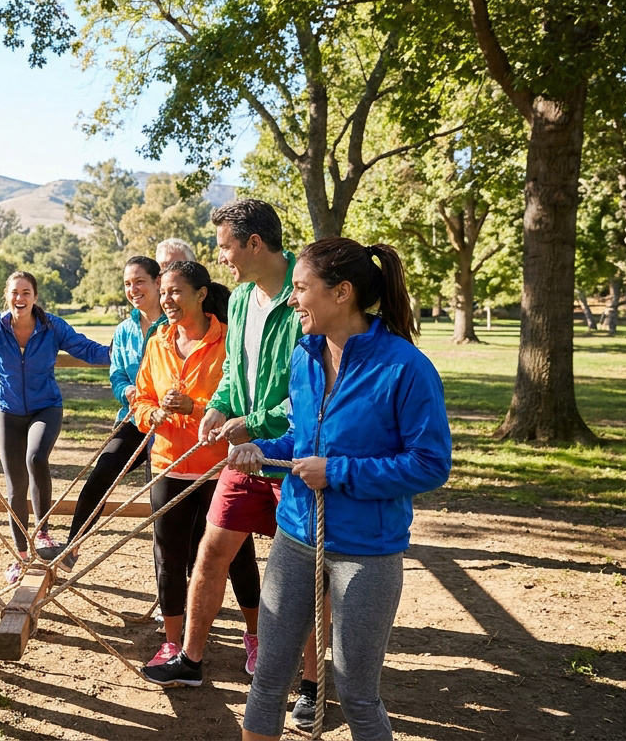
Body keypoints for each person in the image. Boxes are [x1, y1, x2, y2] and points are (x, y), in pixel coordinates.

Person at [232, 238, 451, 740]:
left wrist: (338, 473)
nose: (292, 300)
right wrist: (263, 451)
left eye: (302, 288)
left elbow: (430, 464)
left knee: (356, 694)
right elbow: (303, 438)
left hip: (367, 553)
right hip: (294, 536)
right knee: (267, 680)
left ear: (342, 293)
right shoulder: (304, 356)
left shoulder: (406, 368)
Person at [141, 199, 310, 695]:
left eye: (224, 247)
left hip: (291, 454)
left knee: (297, 569)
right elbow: (237, 373)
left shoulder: (304, 293)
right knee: (212, 553)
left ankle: (308, 684)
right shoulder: (238, 301)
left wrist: (249, 422)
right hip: (243, 453)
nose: (221, 259)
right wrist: (218, 405)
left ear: (253, 243)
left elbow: (306, 390)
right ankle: (191, 659)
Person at [129, 261, 259, 669]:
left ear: (201, 294)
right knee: (167, 555)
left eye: (175, 291)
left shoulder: (228, 342)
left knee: (237, 556)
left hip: (221, 468)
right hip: (169, 463)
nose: (166, 299)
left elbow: (240, 405)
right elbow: (141, 399)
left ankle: (255, 636)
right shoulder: (157, 342)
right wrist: (153, 415)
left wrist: (196, 407)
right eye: (163, 292)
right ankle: (173, 644)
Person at [0, 271, 111, 583]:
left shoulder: (52, 326)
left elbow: (87, 349)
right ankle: (20, 556)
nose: (20, 298)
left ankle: (43, 532)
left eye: (26, 292)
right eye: (14, 292)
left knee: (36, 458)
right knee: (14, 486)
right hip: (8, 412)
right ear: (7, 296)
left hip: (46, 407)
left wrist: (123, 353)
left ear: (35, 297)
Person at [38, 256, 165, 572]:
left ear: (158, 282)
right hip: (134, 417)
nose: (133, 289)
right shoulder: (124, 330)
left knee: (163, 503)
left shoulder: (176, 324)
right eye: (127, 283)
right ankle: (72, 547)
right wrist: (127, 391)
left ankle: (182, 583)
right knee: (102, 473)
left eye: (139, 281)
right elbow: (118, 373)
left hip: (169, 426)